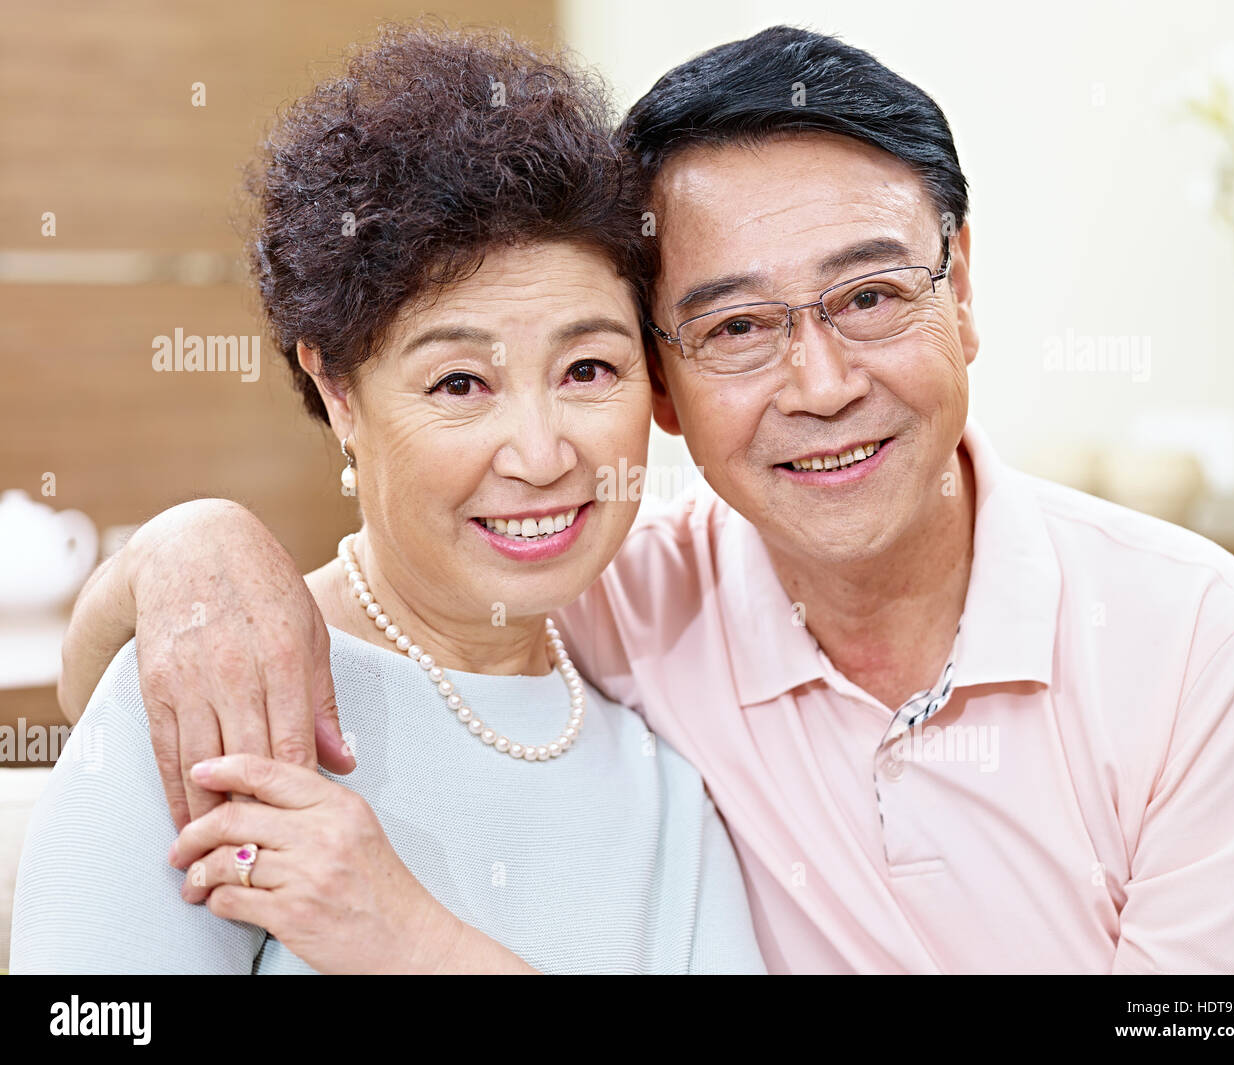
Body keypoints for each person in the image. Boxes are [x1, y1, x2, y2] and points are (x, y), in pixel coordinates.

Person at [51, 26, 1234, 974]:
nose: (820, 384)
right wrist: (190, 547)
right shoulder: (602, 614)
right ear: (673, 377)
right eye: (738, 325)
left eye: (868, 297)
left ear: (960, 287)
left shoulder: (1199, 650)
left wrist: (407, 940)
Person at [9, 25, 766, 975]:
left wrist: (409, 944)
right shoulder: (218, 689)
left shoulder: (670, 785)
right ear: (336, 392)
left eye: (587, 367)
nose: (540, 453)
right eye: (460, 383)